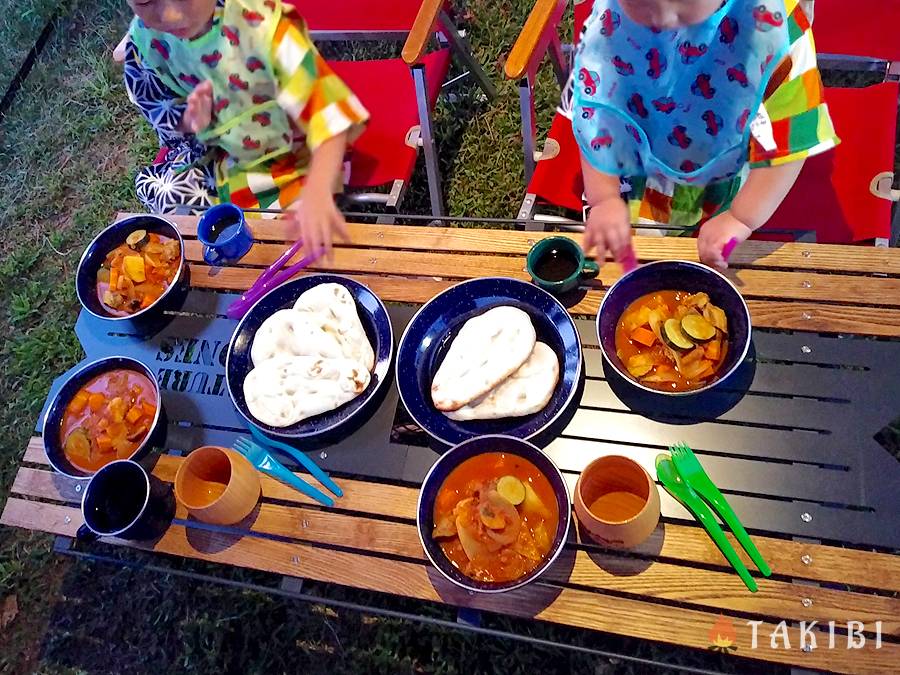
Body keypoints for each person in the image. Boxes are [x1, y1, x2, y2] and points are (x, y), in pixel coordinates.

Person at [570, 0, 837, 269]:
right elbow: (599, 108)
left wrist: (741, 218)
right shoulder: (615, 14)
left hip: (722, 172)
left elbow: (789, 140)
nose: (659, 25)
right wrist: (603, 197)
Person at [123, 0, 369, 257]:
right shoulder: (145, 43)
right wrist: (191, 122)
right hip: (218, 156)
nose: (171, 15)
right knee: (173, 211)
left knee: (279, 248)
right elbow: (166, 120)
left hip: (294, 158)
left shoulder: (264, 27)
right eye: (144, 1)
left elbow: (330, 118)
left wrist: (319, 192)